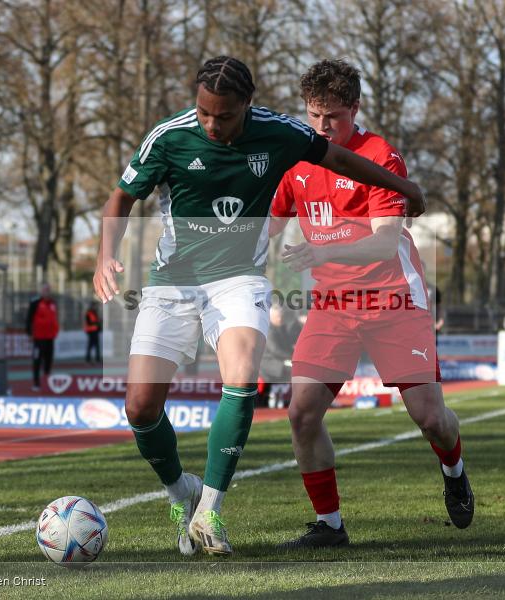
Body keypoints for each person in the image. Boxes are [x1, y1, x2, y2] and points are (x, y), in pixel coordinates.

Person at [93, 56, 427, 557]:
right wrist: (106, 255)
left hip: (238, 280)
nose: (212, 124)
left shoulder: (279, 132)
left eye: (223, 115)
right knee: (140, 407)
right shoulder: (169, 137)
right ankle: (179, 493)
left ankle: (210, 510)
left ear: (247, 106)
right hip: (173, 282)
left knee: (242, 376)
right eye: (204, 113)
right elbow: (121, 198)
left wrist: (403, 188)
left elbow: (339, 159)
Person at [269, 59, 473, 549]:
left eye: (333, 117)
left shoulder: (380, 155)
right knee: (301, 411)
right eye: (314, 116)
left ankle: (454, 468)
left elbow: (384, 243)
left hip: (394, 299)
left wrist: (322, 251)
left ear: (355, 109)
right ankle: (330, 525)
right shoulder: (295, 160)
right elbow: (268, 226)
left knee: (429, 416)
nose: (322, 127)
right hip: (333, 303)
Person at [259, 304, 303, 408]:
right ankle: (295, 398)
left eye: (282, 316)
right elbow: (275, 350)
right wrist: (292, 356)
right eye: (278, 316)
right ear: (271, 316)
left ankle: (289, 397)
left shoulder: (282, 328)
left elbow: (290, 342)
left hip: (280, 361)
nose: (281, 319)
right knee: (297, 369)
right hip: (270, 363)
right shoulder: (268, 329)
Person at [26, 283, 59, 392]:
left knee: (49, 359)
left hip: (50, 338)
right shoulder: (35, 303)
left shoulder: (53, 303)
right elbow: (29, 318)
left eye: (48, 290)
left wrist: (55, 330)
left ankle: (47, 381)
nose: (47, 292)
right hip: (38, 338)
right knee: (37, 360)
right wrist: (29, 333)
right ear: (41, 291)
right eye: (45, 290)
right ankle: (36, 383)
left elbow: (54, 318)